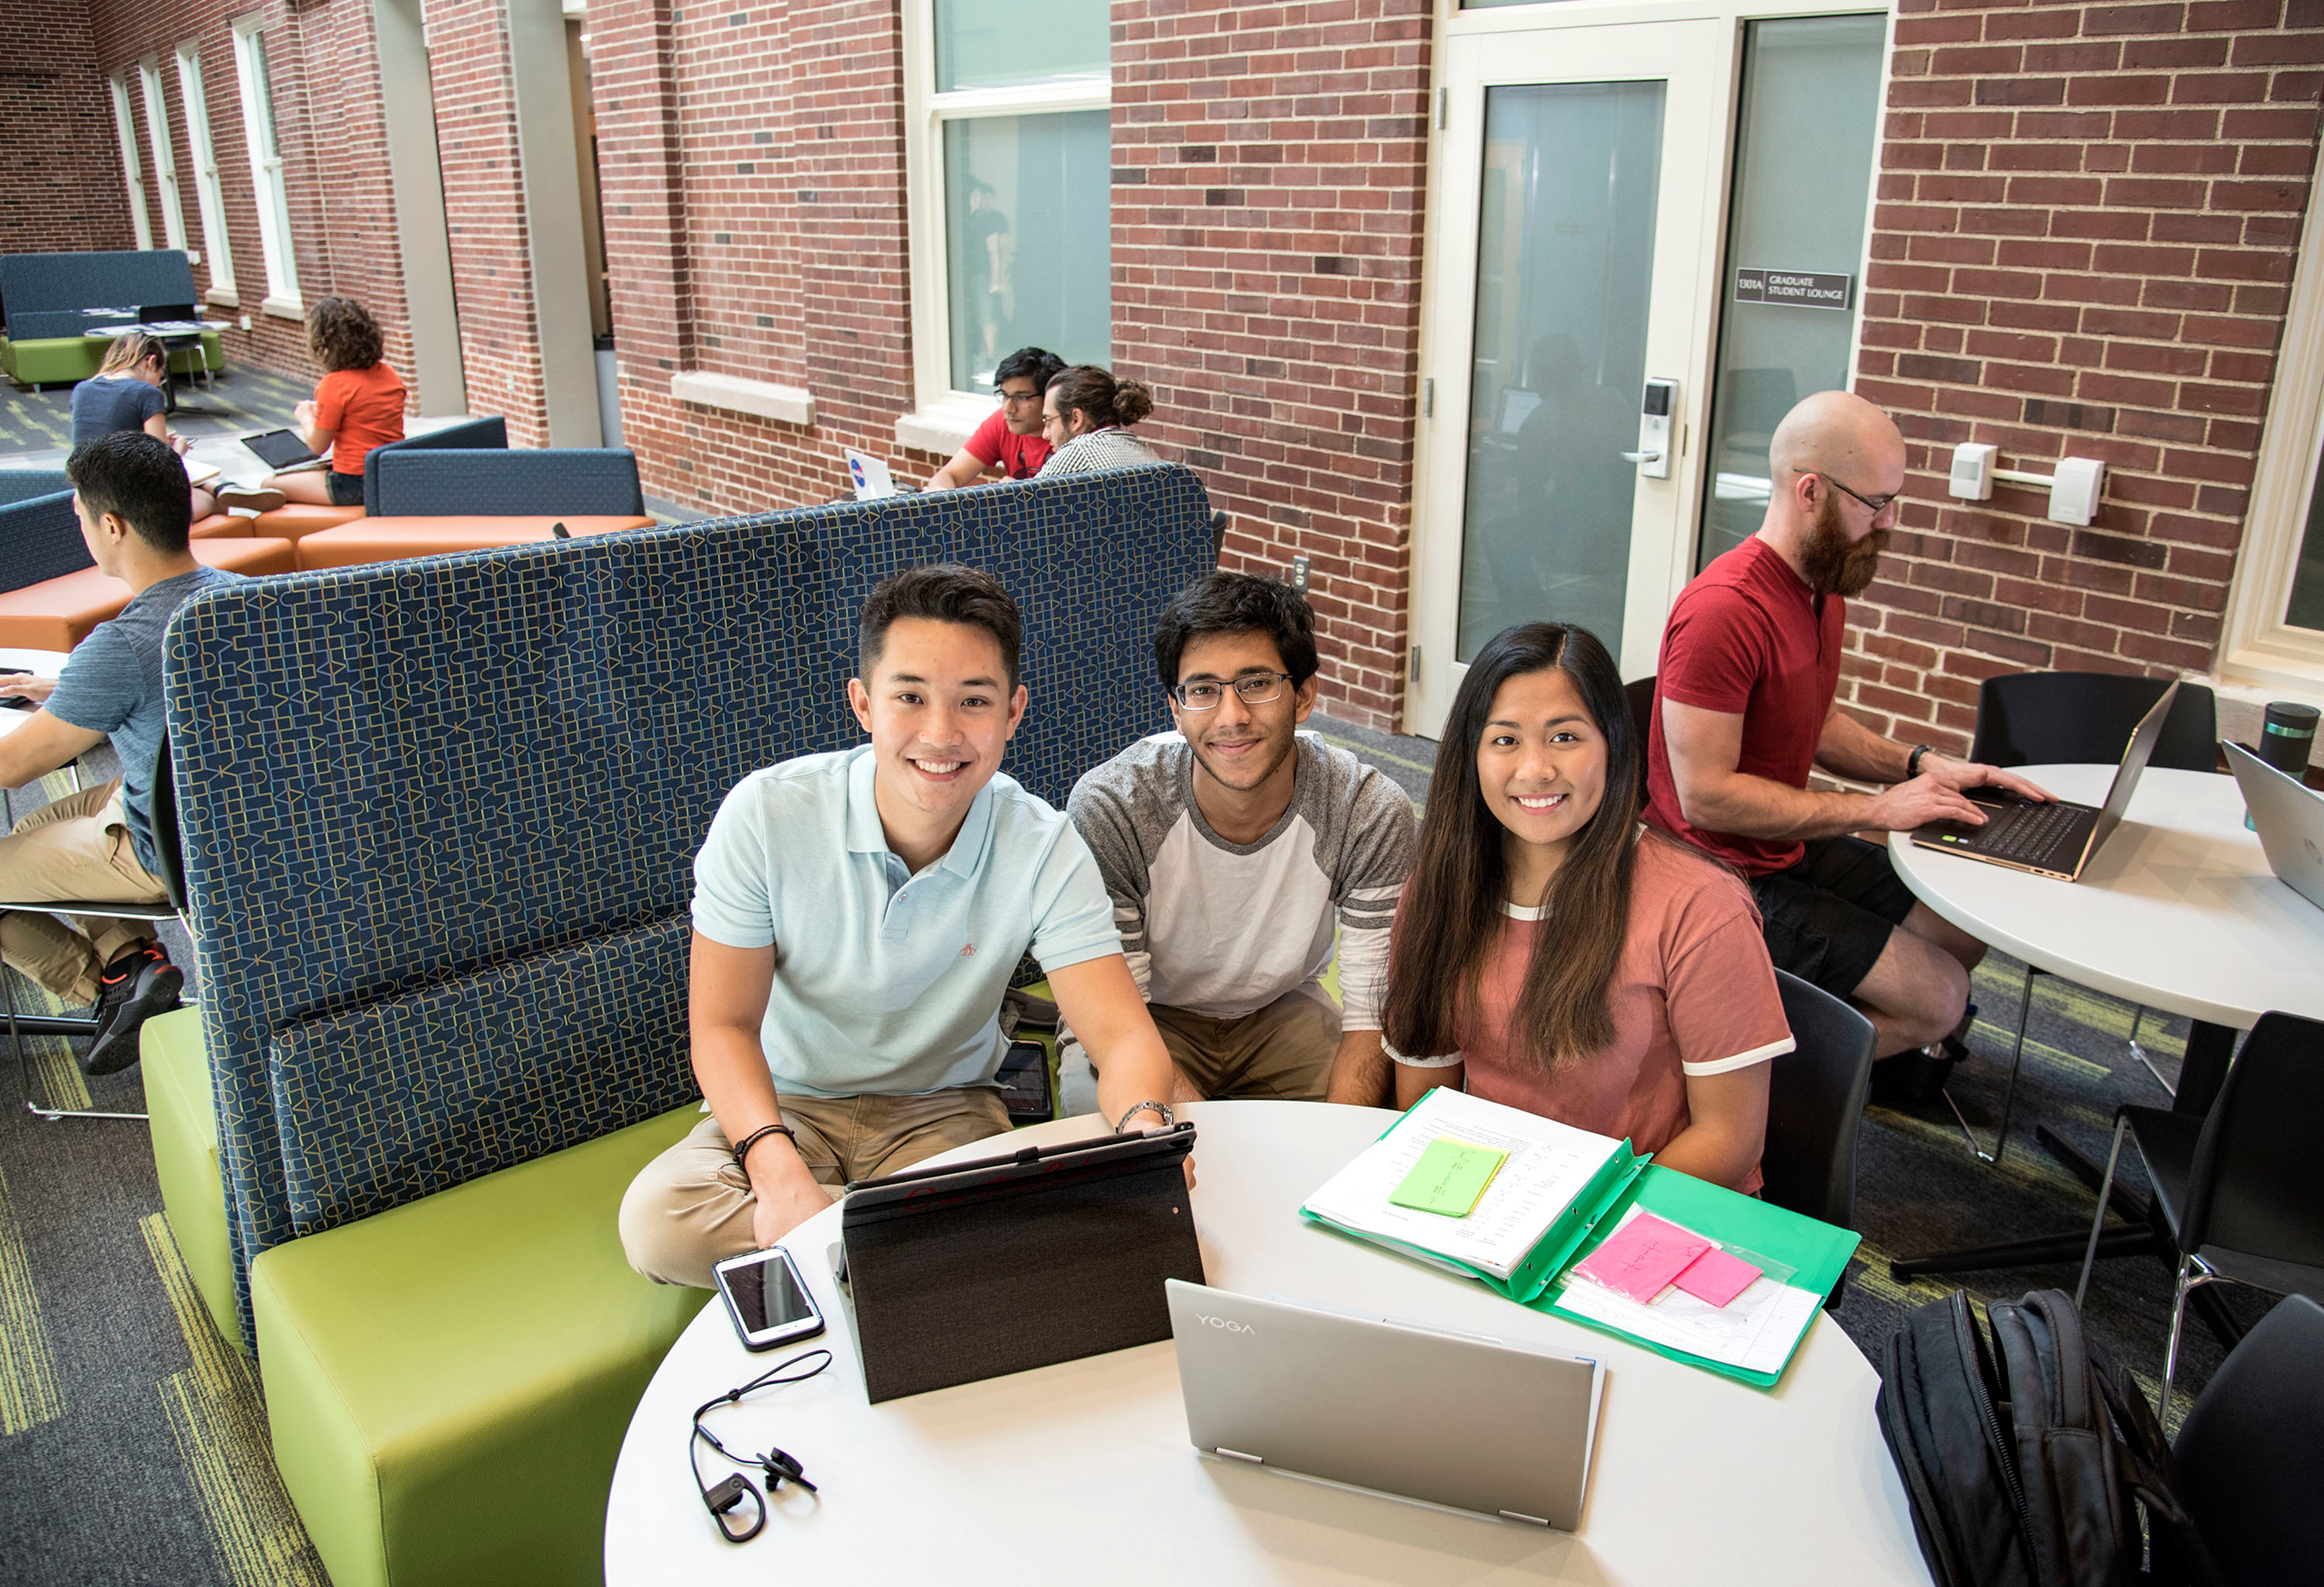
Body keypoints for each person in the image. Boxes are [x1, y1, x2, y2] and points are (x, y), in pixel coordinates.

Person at [619, 564, 1184, 1290]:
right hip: (788, 1103)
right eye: (910, 697)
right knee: (659, 1223)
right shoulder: (766, 813)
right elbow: (723, 1025)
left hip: (943, 1108)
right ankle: (922, 1250)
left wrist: (1144, 1127)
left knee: (1007, 1220)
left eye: (972, 701)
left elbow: (1123, 1036)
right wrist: (778, 1168)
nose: (941, 733)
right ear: (863, 703)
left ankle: (872, 1254)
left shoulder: (1043, 844)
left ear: (1013, 713)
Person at [1643, 390, 2050, 1089]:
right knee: (1941, 997)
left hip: (1777, 848)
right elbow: (1705, 798)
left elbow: (1816, 723)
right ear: (1811, 491)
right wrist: (1874, 811)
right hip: (1713, 876)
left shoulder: (1818, 587)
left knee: (1961, 921)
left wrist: (1924, 765)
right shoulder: (1723, 611)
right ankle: (1728, 1080)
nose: (1887, 523)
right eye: (1876, 503)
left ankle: (1829, 1039)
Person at [1383, 623, 1788, 1193]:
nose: (1536, 769)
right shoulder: (1438, 889)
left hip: (1654, 1208)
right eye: (1505, 740)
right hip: (1499, 1205)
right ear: (1469, 754)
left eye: (1565, 737)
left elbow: (1730, 1137)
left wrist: (1572, 1224)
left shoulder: (1701, 907)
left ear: (1613, 745)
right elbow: (1429, 1100)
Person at [1064, 572, 1415, 1109]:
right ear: (1176, 710)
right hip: (1143, 1015)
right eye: (1203, 690)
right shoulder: (1117, 805)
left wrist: (1342, 1152)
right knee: (1117, 1146)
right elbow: (1120, 1021)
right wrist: (1200, 1135)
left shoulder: (1366, 810)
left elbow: (1370, 1016)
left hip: (1280, 1011)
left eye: (1256, 683)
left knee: (1370, 1115)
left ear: (1303, 695)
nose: (1232, 716)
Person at [0, 433, 246, 1075]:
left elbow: (12, 766)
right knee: (33, 827)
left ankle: (104, 992)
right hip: (247, 824)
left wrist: (90, 679)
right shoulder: (246, 597)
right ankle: (133, 967)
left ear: (112, 525)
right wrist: (74, 687)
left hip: (168, 848)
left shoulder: (122, 643)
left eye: (80, 515)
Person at [68, 332, 281, 517]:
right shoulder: (145, 393)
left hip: (91, 493)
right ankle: (222, 489)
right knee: (217, 505)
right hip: (135, 500)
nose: (158, 384)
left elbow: (104, 436)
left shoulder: (81, 389)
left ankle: (223, 486)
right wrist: (177, 451)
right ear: (151, 362)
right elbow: (160, 466)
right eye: (160, 377)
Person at [258, 297, 406, 509]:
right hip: (390, 476)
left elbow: (317, 446)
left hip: (353, 484)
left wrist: (306, 416)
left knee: (269, 484)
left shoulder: (333, 384)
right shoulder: (389, 374)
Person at [923, 346, 1064, 489]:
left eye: (1021, 397)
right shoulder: (1002, 422)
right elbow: (948, 475)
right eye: (1004, 395)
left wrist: (1023, 492)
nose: (1008, 408)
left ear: (1049, 396)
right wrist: (942, 495)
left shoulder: (1070, 431)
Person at [1037, 366, 1162, 476]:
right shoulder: (1150, 456)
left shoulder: (1077, 453)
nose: (1045, 434)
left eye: (1048, 421)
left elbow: (1025, 500)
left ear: (1076, 419)